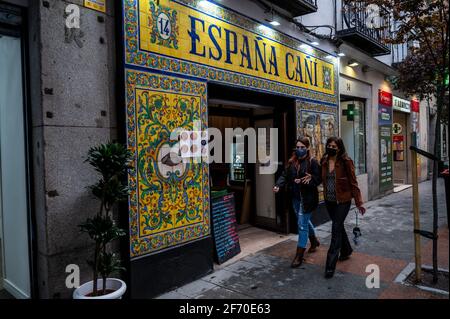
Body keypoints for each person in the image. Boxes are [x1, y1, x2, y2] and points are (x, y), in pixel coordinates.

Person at [320, 137, 366, 278]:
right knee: (338, 226)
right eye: (329, 145)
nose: (331, 147)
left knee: (335, 228)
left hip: (343, 201)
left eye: (334, 146)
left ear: (339, 148)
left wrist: (359, 202)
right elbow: (320, 177)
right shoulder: (324, 161)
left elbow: (353, 182)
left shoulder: (346, 161)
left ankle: (330, 265)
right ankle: (346, 251)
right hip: (329, 200)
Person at [273, 137, 321, 268]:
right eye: (298, 147)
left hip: (308, 199)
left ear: (307, 148)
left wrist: (308, 181)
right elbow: (284, 175)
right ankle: (314, 240)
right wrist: (278, 185)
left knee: (301, 225)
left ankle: (299, 255)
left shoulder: (313, 162)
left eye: (302, 147)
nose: (299, 150)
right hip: (295, 198)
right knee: (304, 222)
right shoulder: (292, 162)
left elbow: (318, 179)